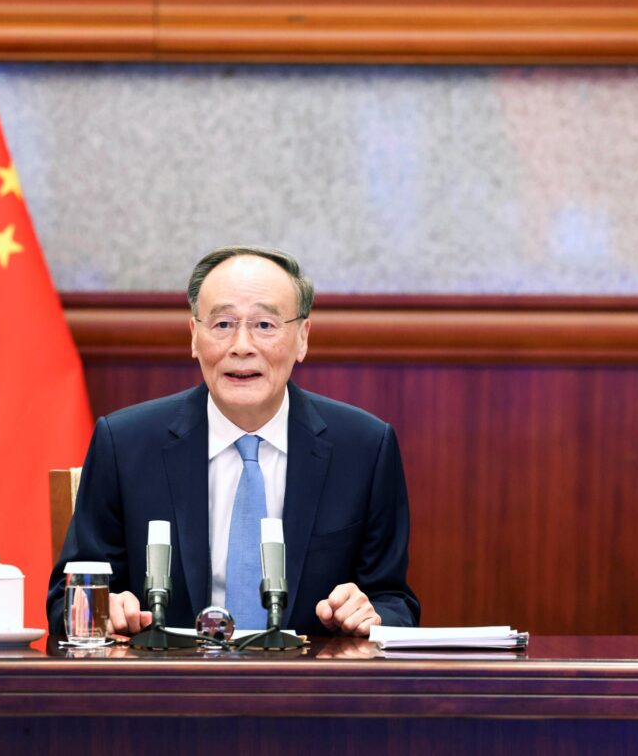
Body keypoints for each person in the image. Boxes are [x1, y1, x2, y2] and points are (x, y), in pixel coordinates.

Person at [47, 246, 419, 637]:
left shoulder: (363, 448)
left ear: (302, 337)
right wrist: (104, 606)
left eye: (264, 325)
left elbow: (395, 602)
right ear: (194, 336)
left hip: (308, 688)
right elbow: (64, 603)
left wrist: (370, 613)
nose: (242, 346)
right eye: (222, 324)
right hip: (168, 687)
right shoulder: (125, 444)